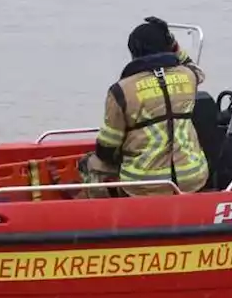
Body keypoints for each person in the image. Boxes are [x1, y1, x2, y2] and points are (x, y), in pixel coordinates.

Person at [79, 17, 209, 197]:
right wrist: (172, 42)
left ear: (134, 52)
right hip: (192, 178)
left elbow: (107, 147)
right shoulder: (189, 77)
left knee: (91, 164)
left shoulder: (121, 91)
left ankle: (100, 217)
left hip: (144, 184)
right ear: (168, 46)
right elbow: (193, 67)